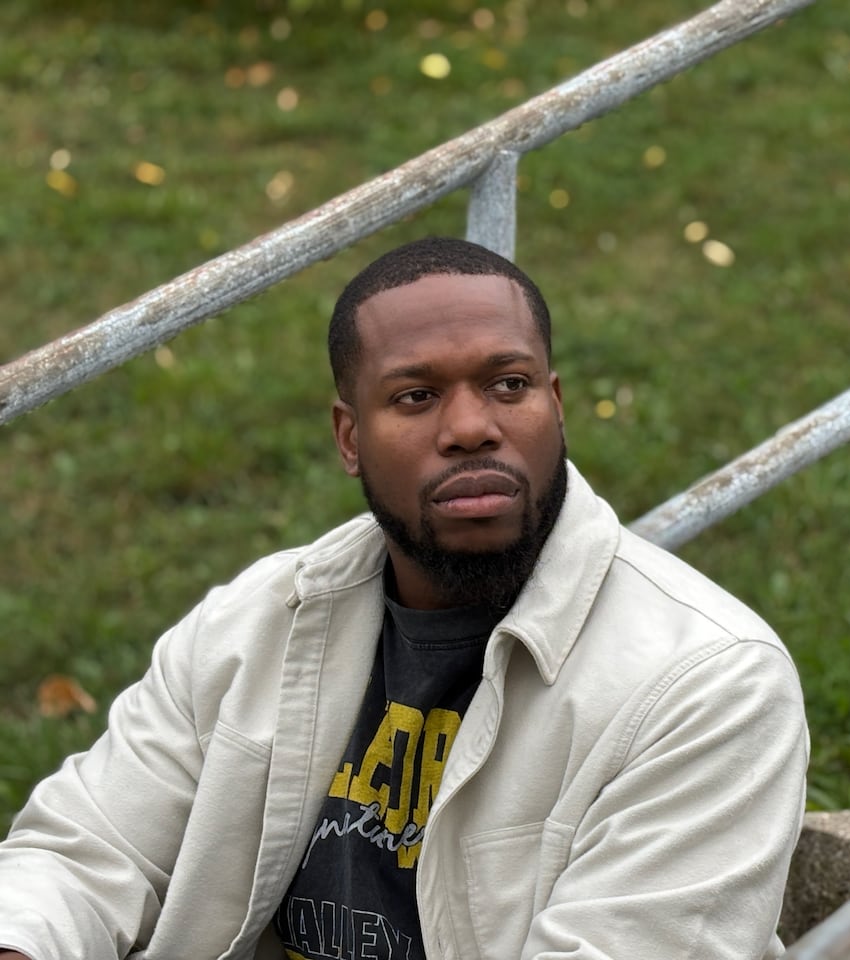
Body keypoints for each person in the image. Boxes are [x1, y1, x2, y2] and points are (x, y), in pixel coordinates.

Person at [0, 236, 809, 960]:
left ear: (556, 406)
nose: (470, 427)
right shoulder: (252, 624)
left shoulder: (709, 682)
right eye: (416, 396)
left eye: (509, 384)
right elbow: (82, 854)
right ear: (350, 438)